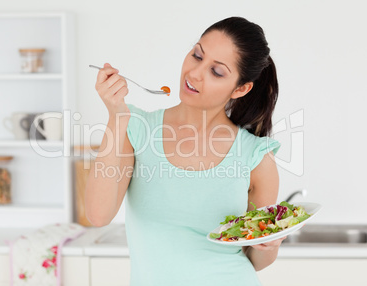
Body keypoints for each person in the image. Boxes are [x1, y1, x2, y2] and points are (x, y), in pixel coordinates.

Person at [86, 16, 284, 285]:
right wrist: (116, 116)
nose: (194, 73)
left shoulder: (256, 156)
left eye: (216, 71)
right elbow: (98, 215)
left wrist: (269, 245)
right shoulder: (136, 128)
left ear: (241, 88)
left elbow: (256, 260)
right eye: (197, 55)